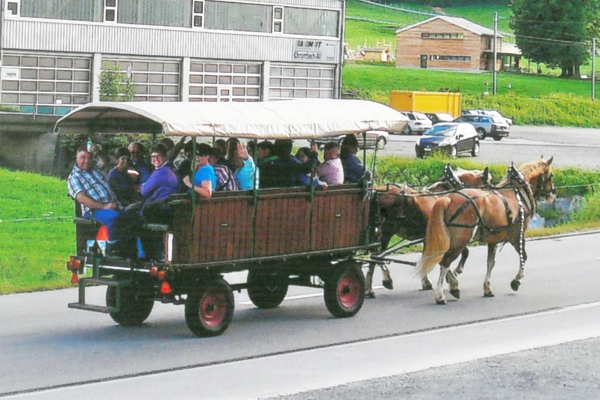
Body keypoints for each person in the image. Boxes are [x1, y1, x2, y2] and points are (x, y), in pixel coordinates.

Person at [67, 147, 121, 250]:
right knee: (113, 217)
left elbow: (104, 162)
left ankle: (136, 252)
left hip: (112, 205)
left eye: (89, 158)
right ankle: (113, 249)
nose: (86, 161)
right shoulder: (74, 177)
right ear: (76, 158)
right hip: (94, 211)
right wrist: (104, 206)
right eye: (83, 158)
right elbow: (81, 198)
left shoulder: (95, 171)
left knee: (133, 216)